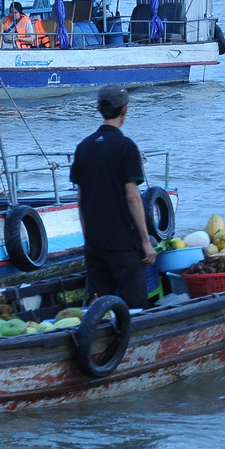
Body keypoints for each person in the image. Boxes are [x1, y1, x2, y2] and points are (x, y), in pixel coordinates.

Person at [69, 86, 155, 310]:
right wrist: (146, 242)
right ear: (125, 110)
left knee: (100, 309)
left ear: (99, 108)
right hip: (124, 243)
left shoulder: (83, 147)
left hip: (95, 242)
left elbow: (81, 198)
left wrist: (88, 237)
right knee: (135, 307)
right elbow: (133, 197)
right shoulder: (126, 147)